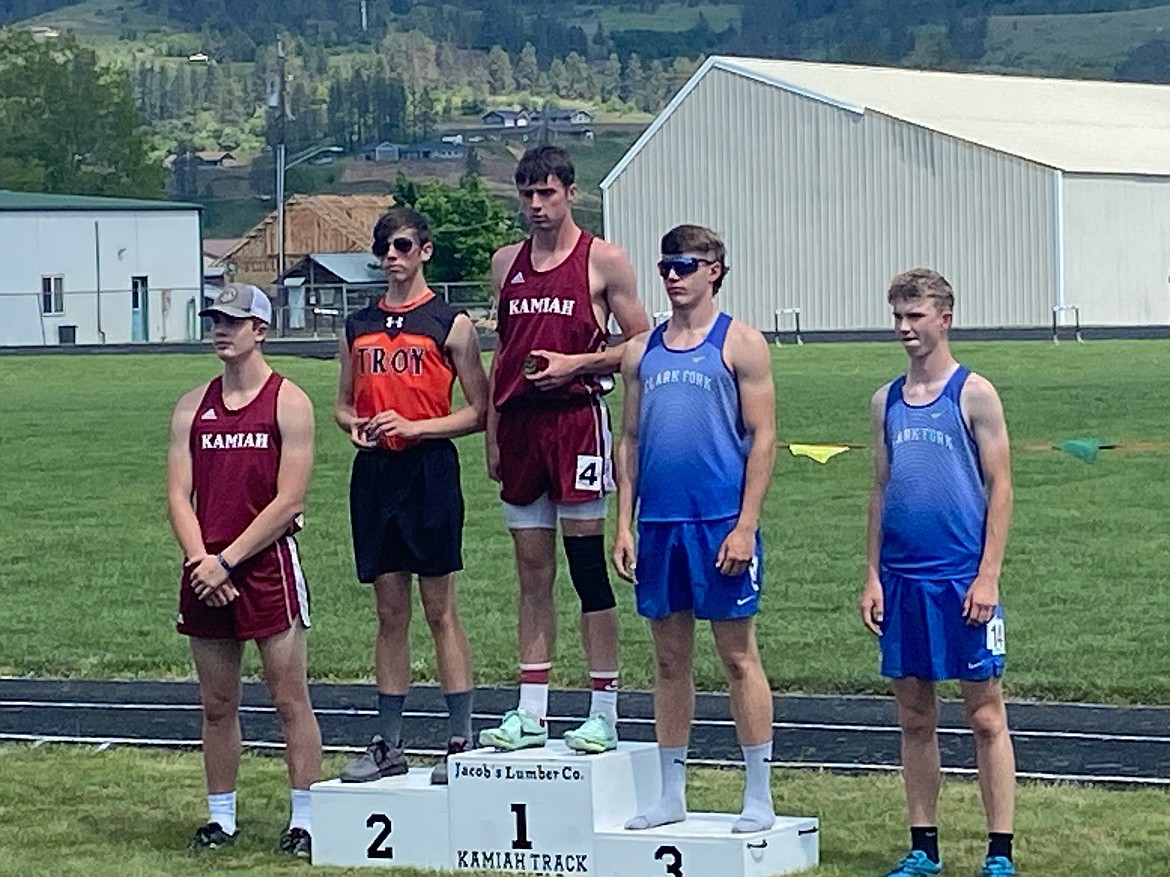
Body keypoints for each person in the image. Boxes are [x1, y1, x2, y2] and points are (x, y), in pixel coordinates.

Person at [478, 145, 650, 754]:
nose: (535, 205)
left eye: (546, 193)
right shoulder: (506, 264)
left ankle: (603, 709)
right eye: (526, 194)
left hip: (576, 423)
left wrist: (577, 362)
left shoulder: (602, 260)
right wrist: (494, 432)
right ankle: (531, 711)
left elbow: (643, 344)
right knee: (531, 573)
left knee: (584, 571)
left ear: (570, 193)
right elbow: (503, 352)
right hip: (521, 428)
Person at [612, 225, 778, 834]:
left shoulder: (742, 344)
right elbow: (628, 440)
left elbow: (763, 437)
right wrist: (623, 524)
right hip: (658, 524)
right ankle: (671, 793)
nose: (673, 277)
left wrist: (746, 524)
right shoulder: (640, 351)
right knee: (667, 661)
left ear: (715, 270)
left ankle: (757, 793)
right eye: (665, 267)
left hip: (719, 524)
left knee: (737, 657)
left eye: (685, 265)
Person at [859, 268, 1017, 877]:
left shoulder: (974, 393)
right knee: (916, 716)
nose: (903, 327)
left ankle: (998, 851)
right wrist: (872, 574)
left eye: (914, 315)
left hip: (962, 578)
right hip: (902, 579)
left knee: (984, 714)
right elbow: (880, 488)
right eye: (897, 315)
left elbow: (1001, 486)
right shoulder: (886, 400)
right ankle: (923, 846)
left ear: (943, 318)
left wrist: (988, 575)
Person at [334, 207, 489, 785]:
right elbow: (343, 403)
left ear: (425, 250)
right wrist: (354, 424)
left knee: (440, 609)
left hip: (428, 469)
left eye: (401, 246)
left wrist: (417, 427)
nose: (391, 258)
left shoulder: (451, 323)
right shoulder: (356, 326)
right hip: (375, 474)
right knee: (389, 612)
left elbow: (480, 410)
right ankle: (390, 743)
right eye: (383, 248)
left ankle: (459, 740)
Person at [168, 282, 322, 858]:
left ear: (261, 330)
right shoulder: (192, 405)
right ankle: (221, 818)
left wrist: (228, 559)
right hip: (204, 568)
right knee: (216, 703)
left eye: (233, 320)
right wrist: (201, 561)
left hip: (263, 566)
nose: (221, 329)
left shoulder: (289, 401)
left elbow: (289, 502)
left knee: (289, 699)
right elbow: (179, 495)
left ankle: (304, 818)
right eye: (215, 319)